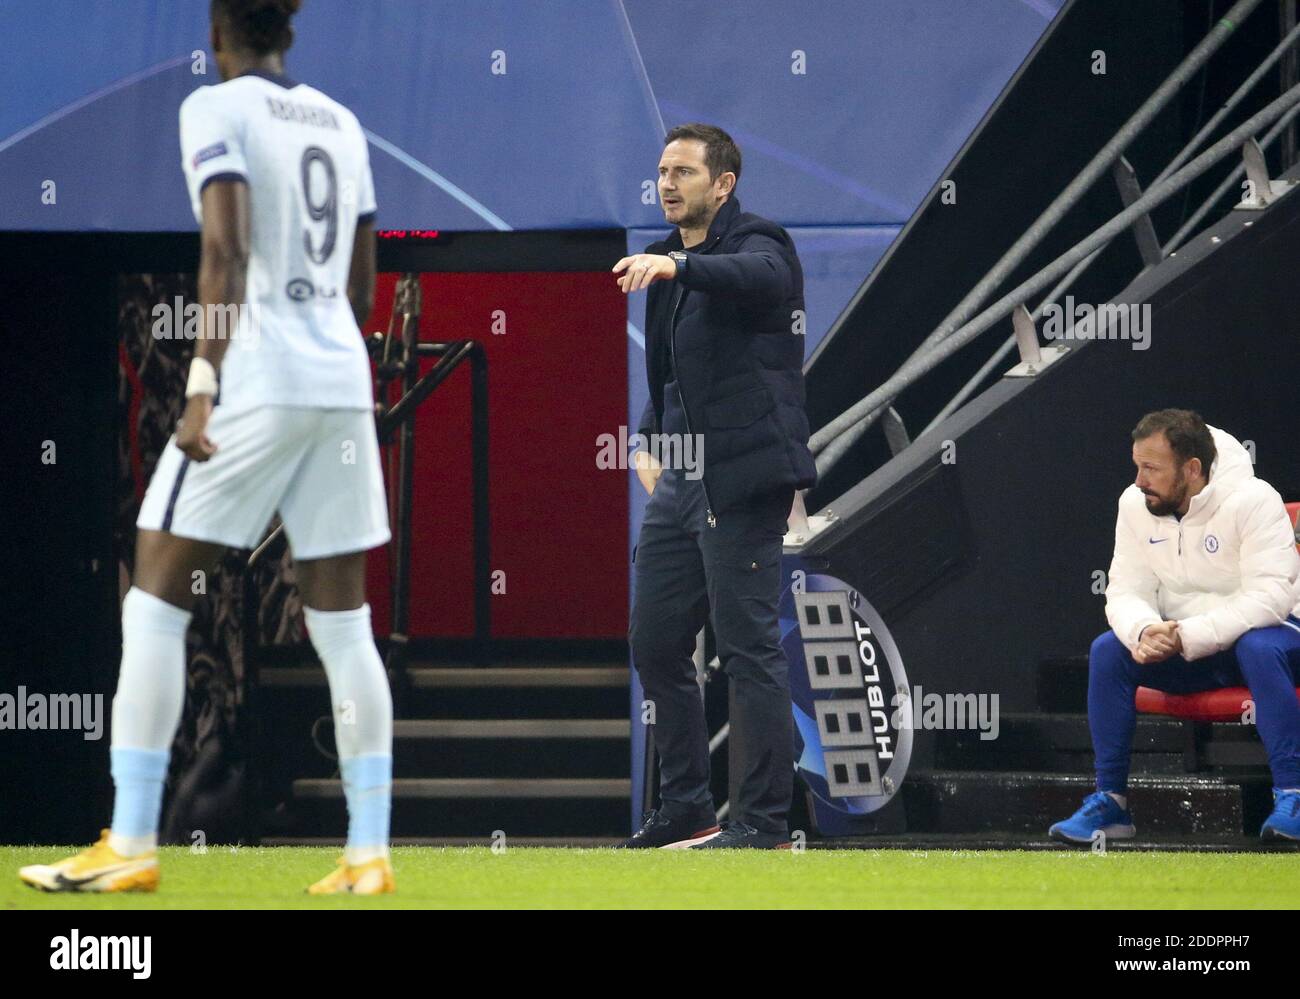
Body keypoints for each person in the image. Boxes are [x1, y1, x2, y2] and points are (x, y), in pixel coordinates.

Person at [19, 0, 396, 894]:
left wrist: (200, 384)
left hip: (258, 379)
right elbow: (364, 282)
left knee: (154, 594)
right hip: (341, 380)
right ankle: (369, 850)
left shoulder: (213, 108)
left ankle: (133, 838)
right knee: (344, 628)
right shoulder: (342, 122)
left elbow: (222, 254)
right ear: (291, 33)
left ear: (216, 36)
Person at [614, 124, 816, 849]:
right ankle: (687, 807)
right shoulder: (667, 261)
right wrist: (648, 433)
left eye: (685, 173)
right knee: (658, 642)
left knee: (746, 648)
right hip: (682, 484)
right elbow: (669, 370)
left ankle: (761, 819)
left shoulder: (762, 244)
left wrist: (679, 271)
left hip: (745, 477)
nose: (668, 184)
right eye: (662, 171)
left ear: (722, 185)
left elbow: (756, 280)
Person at [1050, 409, 1300, 844]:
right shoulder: (1135, 504)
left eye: (1151, 468)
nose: (1139, 479)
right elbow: (1126, 590)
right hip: (1191, 646)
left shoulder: (1255, 500)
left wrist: (1188, 633)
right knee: (1109, 650)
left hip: (1275, 635)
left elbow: (1271, 597)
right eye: (1137, 465)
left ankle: (1293, 795)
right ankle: (1111, 804)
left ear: (1192, 469)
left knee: (1257, 647)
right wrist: (1145, 631)